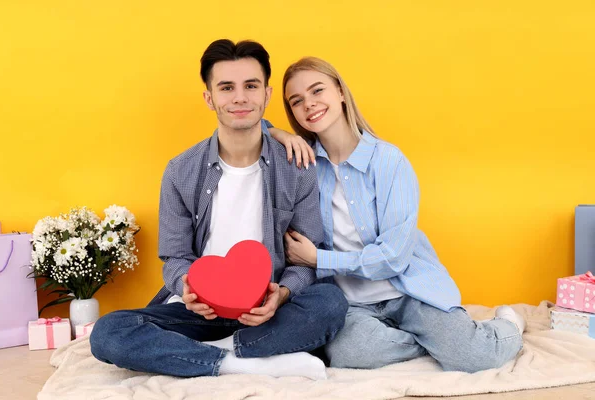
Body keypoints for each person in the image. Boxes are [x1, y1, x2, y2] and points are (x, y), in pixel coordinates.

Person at [90, 41, 348, 380]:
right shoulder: (181, 170)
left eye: (250, 86)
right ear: (209, 97)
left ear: (267, 95)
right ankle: (241, 361)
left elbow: (306, 259)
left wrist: (282, 295)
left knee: (330, 301)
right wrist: (186, 288)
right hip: (200, 313)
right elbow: (176, 256)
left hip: (268, 311)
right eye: (227, 87)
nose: (240, 98)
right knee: (108, 331)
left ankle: (214, 354)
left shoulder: (296, 167)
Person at [267, 57, 525, 373]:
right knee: (351, 355)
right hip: (352, 304)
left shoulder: (388, 161)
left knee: (476, 358)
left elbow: (393, 257)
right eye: (297, 101)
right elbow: (249, 128)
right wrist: (280, 134)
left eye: (317, 90)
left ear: (341, 93)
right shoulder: (302, 162)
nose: (309, 104)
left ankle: (506, 325)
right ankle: (434, 342)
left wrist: (318, 259)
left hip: (408, 291)